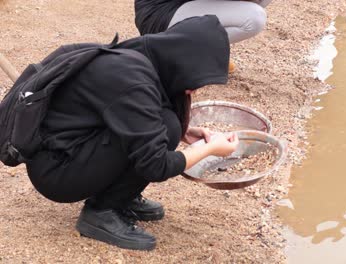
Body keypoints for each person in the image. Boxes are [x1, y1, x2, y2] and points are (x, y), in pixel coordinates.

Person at [25, 15, 238, 251]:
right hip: (57, 171)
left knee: (169, 125)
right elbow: (155, 165)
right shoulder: (131, 79)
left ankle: (121, 197)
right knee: (167, 127)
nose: (197, 87)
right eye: (199, 75)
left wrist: (185, 133)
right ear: (183, 59)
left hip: (72, 148)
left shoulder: (145, 56)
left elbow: (133, 117)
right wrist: (208, 149)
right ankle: (101, 212)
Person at [135, 0, 273, 72]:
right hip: (160, 14)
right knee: (254, 18)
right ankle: (174, 52)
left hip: (186, 5)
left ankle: (203, 53)